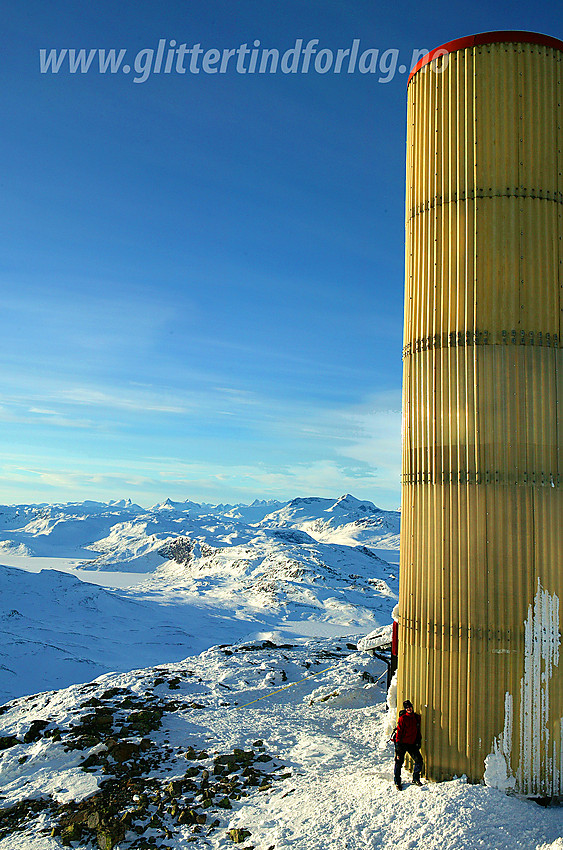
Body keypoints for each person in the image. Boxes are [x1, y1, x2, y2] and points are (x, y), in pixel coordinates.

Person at [392, 699, 423, 790]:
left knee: (419, 760)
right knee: (399, 763)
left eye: (410, 707)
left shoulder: (416, 717)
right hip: (402, 744)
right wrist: (398, 746)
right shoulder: (403, 719)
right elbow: (399, 732)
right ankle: (397, 782)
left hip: (412, 744)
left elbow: (417, 731)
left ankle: (415, 778)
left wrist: (418, 742)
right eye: (407, 708)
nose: (409, 709)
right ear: (405, 709)